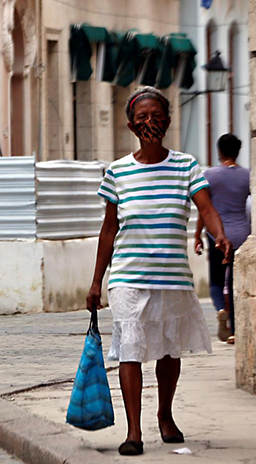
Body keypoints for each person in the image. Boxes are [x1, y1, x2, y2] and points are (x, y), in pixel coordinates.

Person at [87, 87, 231, 456]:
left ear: (167, 121)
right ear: (131, 125)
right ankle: (134, 431)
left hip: (171, 277)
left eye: (157, 116)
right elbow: (108, 229)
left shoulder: (186, 166)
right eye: (142, 117)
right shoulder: (117, 172)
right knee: (130, 349)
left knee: (168, 351)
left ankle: (165, 415)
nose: (150, 122)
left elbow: (206, 207)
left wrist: (219, 235)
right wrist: (96, 281)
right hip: (128, 277)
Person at [194, 134, 250, 344]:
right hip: (242, 235)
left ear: (219, 151)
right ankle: (235, 330)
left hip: (217, 234)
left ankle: (220, 309)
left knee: (217, 281)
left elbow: (204, 209)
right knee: (235, 283)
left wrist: (197, 234)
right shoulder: (247, 176)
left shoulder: (209, 175)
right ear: (238, 151)